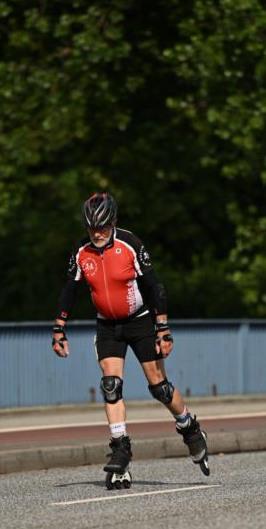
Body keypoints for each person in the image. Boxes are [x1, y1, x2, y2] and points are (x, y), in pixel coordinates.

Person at [53, 191, 208, 486]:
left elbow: (154, 288)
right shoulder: (80, 252)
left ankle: (189, 427)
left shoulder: (130, 244)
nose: (96, 233)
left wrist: (163, 329)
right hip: (107, 325)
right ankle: (120, 450)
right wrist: (59, 327)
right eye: (91, 228)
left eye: (102, 227)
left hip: (139, 321)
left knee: (159, 387)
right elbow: (69, 290)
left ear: (113, 222)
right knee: (111, 385)